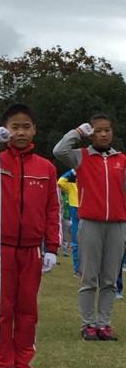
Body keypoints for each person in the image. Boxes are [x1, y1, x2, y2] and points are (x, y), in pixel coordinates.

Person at [0, 106, 61, 368]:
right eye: (15, 127)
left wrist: (52, 248)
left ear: (34, 130)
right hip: (1, 248)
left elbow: (52, 209)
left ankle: (25, 367)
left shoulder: (45, 168)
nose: (20, 132)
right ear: (6, 129)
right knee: (3, 309)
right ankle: (4, 367)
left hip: (32, 250)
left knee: (27, 310)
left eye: (26, 127)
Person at [54, 114, 126, 340]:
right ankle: (88, 325)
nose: (103, 134)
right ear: (90, 133)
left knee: (110, 278)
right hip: (90, 223)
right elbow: (59, 150)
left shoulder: (121, 160)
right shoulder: (81, 157)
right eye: (98, 130)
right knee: (89, 278)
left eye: (107, 130)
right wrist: (77, 132)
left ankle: (104, 324)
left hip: (117, 224)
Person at [57, 169, 79, 274]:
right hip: (75, 214)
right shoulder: (71, 186)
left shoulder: (90, 186)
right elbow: (60, 182)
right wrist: (72, 171)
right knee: (76, 243)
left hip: (87, 214)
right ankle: (77, 270)